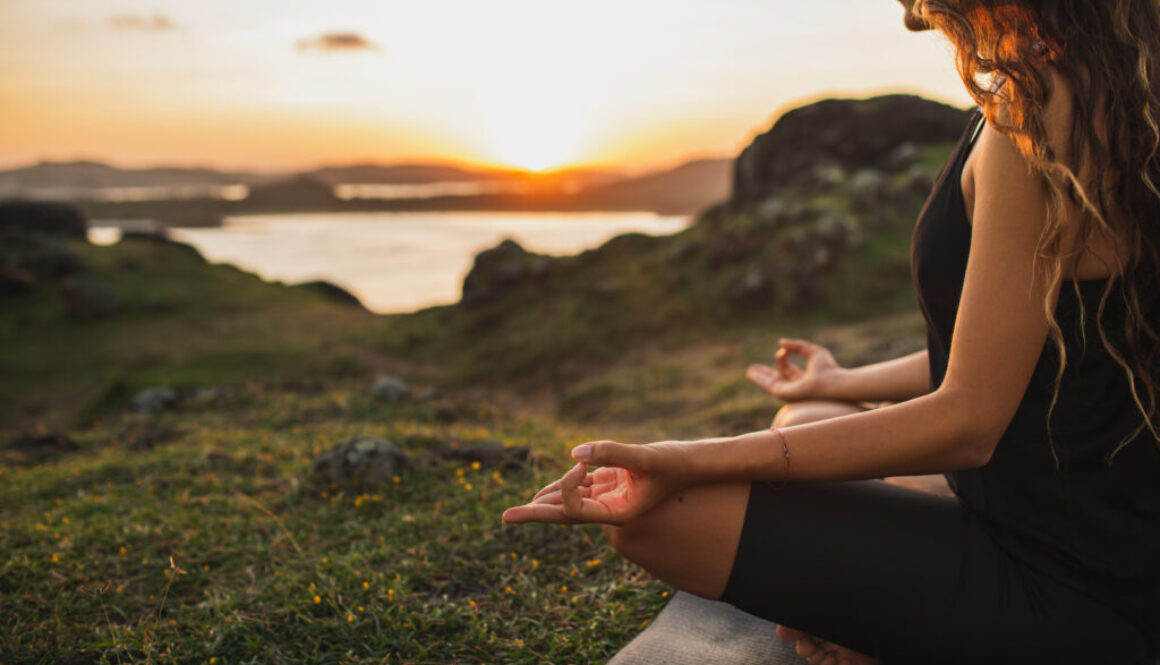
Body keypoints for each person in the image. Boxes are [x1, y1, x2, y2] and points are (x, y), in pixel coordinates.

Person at [503, 1, 1160, 663]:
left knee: (662, 512)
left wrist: (682, 457)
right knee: (812, 410)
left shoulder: (1040, 123)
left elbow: (969, 419)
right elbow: (1012, 354)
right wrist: (841, 380)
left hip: (1077, 585)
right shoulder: (1119, 92)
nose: (916, 21)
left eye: (925, 3)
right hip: (1076, 519)